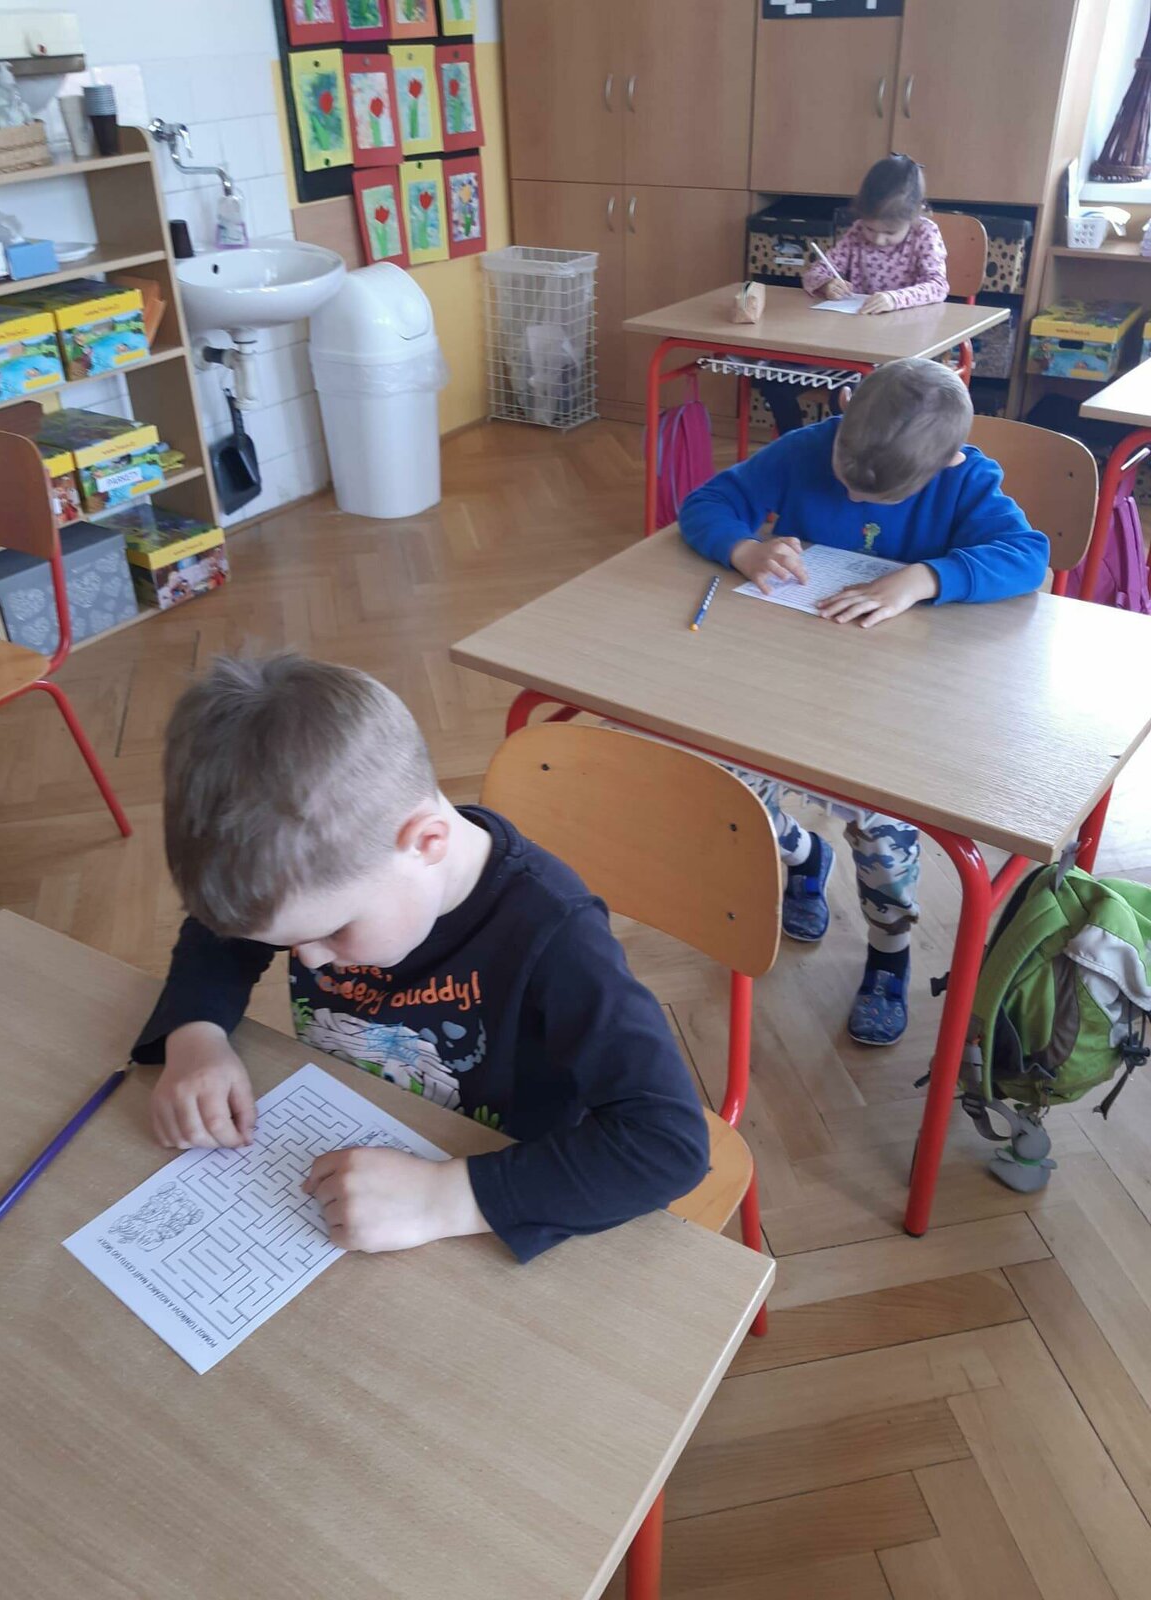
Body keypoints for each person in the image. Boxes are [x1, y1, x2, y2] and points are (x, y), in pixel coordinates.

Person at [130, 654, 709, 1261]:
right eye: (289, 942)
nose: (309, 959)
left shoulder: (556, 934)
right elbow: (225, 932)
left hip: (491, 1192)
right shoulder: (327, 870)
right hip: (357, 1136)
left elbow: (668, 1146)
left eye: (333, 932)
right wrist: (195, 1035)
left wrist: (445, 1198)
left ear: (427, 843)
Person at [678, 358, 1048, 1047]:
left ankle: (888, 953)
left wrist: (924, 578)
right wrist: (744, 549)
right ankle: (804, 858)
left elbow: (1029, 557)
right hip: (790, 680)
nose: (850, 496)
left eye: (874, 495)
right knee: (727, 787)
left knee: (883, 836)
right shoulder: (807, 447)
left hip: (892, 709)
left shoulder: (965, 479)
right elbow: (707, 503)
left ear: (947, 462)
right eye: (844, 479)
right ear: (842, 408)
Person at [763, 153, 950, 436]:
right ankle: (795, 443)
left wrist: (894, 298)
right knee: (775, 382)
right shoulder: (857, 233)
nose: (878, 239)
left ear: (915, 216)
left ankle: (844, 452)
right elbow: (814, 272)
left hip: (897, 354)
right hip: (847, 345)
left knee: (844, 398)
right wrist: (826, 284)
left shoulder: (925, 233)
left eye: (890, 232)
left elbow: (937, 285)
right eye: (871, 228)